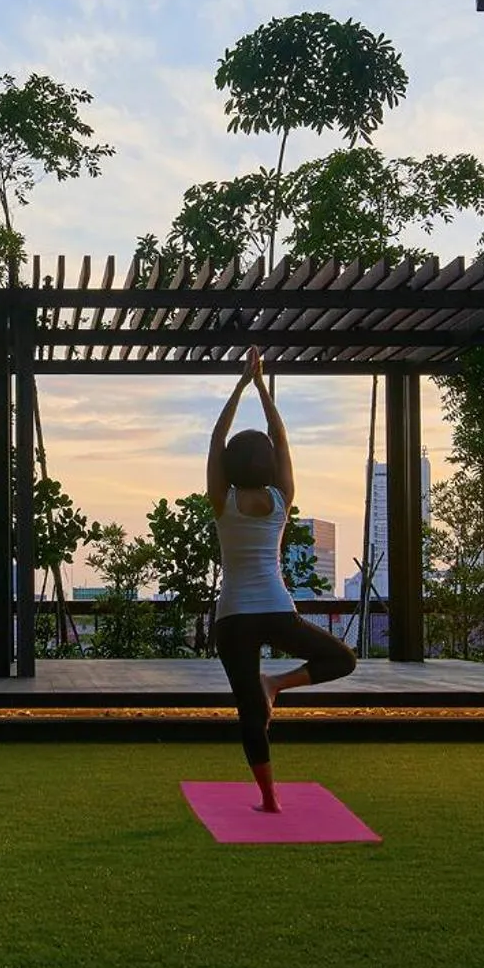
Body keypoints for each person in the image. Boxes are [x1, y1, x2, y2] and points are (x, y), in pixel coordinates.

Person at [207, 346, 357, 812]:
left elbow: (217, 438)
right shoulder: (280, 498)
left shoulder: (222, 501)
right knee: (342, 660)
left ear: (232, 465)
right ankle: (278, 684)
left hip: (234, 617)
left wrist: (238, 385)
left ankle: (269, 798)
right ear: (268, 463)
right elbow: (281, 436)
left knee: (250, 712)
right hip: (275, 610)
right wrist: (261, 385)